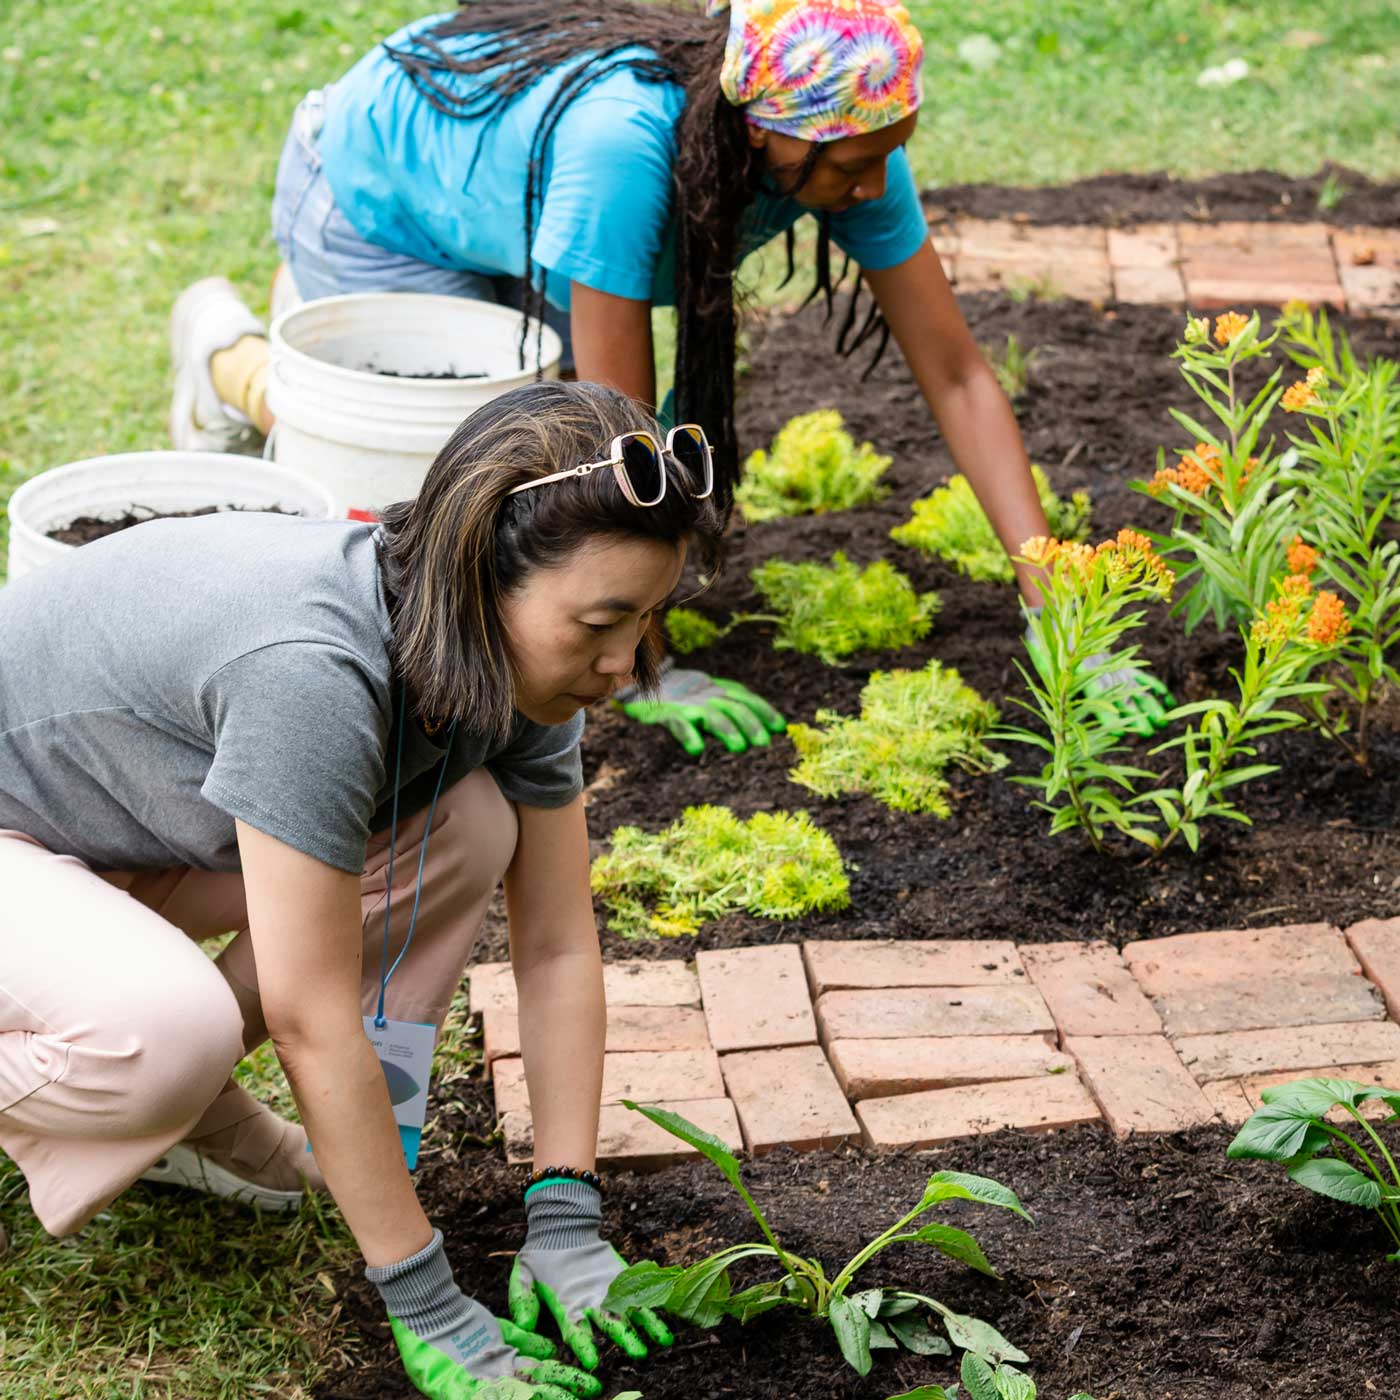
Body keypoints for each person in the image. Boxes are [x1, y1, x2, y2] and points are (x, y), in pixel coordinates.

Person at [169, 0, 1170, 747]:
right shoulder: (625, 152)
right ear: (761, 125)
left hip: (516, 205)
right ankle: (231, 360)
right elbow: (619, 442)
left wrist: (1058, 609)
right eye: (849, 166)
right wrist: (645, 666)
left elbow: (955, 375)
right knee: (447, 479)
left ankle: (275, 347)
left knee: (541, 447)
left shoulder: (848, 142)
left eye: (886, 157)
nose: (869, 187)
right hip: (381, 188)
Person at [0, 381, 722, 1397]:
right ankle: (158, 1094)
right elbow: (310, 1013)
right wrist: (425, 1297)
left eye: (647, 617)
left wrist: (565, 1210)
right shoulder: (313, 672)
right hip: (24, 833)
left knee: (468, 827)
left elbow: (558, 944)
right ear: (481, 578)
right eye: (602, 620)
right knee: (163, 1035)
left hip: (99, 823)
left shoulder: (510, 667)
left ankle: (169, 1119)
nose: (624, 663)